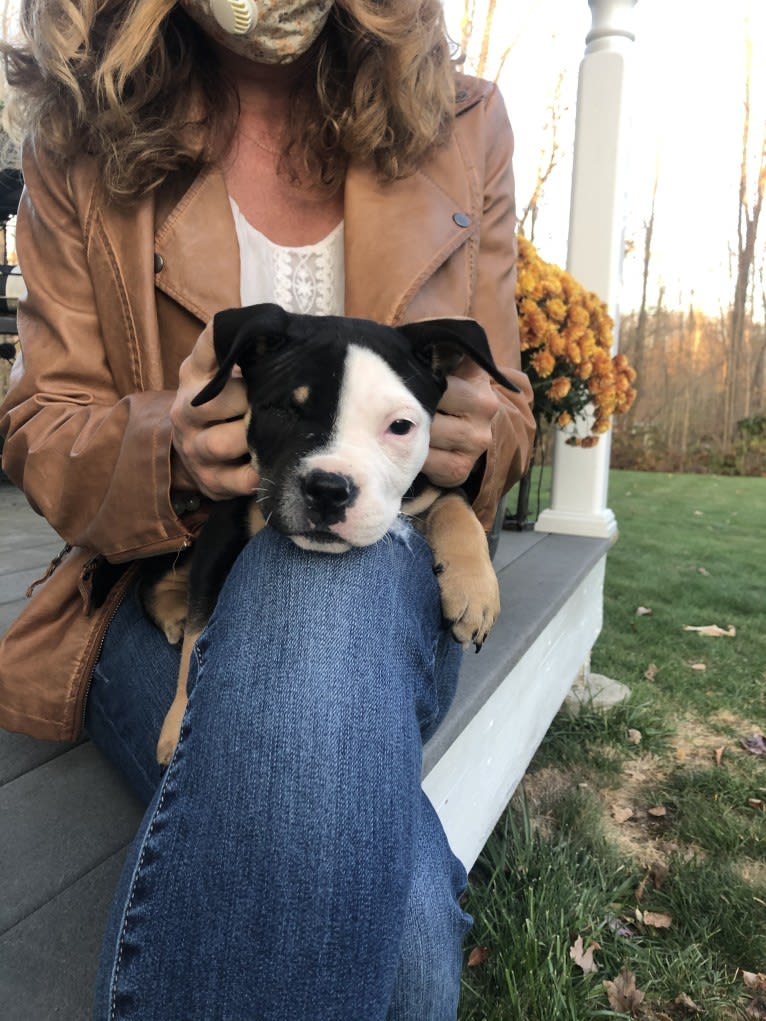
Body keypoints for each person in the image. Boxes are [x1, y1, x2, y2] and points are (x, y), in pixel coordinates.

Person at [0, 1, 535, 1017]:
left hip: (385, 583)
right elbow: (40, 422)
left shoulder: (466, 123)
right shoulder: (83, 137)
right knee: (412, 925)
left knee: (323, 571)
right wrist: (165, 440)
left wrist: (472, 430)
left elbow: (503, 399)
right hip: (161, 577)